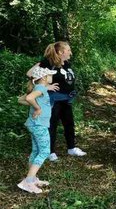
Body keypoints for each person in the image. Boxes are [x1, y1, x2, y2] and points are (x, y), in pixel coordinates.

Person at [27, 41, 86, 161]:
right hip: (54, 100)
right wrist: (45, 87)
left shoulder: (66, 63)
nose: (70, 52)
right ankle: (50, 151)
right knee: (52, 124)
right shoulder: (48, 63)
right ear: (61, 52)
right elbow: (30, 74)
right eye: (68, 50)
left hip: (66, 99)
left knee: (69, 123)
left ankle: (71, 148)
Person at [16, 66, 58, 194]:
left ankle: (32, 179)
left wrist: (36, 104)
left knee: (36, 150)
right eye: (50, 74)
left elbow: (21, 100)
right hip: (39, 125)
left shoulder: (38, 88)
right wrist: (38, 108)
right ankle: (28, 182)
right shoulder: (40, 88)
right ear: (44, 77)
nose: (52, 76)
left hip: (35, 124)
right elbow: (28, 99)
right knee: (45, 151)